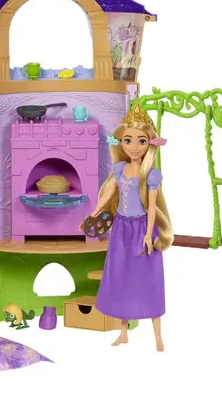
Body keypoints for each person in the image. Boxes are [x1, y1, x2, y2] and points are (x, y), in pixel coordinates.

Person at [82, 103, 173, 351]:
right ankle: (123, 333)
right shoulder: (120, 168)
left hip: (142, 228)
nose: (134, 147)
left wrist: (148, 234)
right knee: (121, 277)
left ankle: (157, 336)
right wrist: (93, 214)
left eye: (141, 141)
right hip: (121, 229)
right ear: (120, 142)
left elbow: (152, 207)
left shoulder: (150, 175)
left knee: (149, 280)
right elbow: (107, 194)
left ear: (150, 144)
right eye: (128, 140)